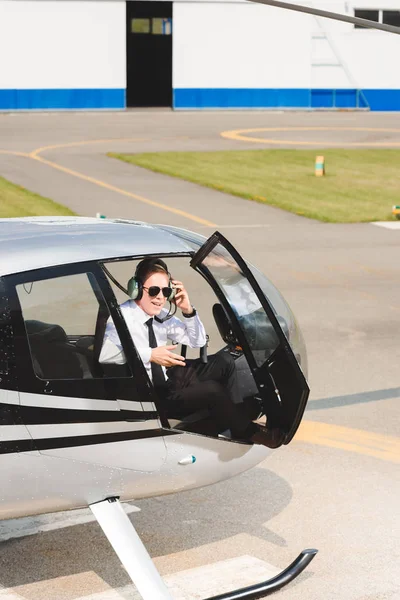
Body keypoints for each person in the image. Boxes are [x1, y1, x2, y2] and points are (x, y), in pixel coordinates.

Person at [99, 258, 284, 449]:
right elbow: (106, 355)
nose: (160, 297)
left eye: (166, 291)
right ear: (136, 289)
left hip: (167, 376)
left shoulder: (160, 315)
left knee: (225, 361)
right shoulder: (121, 317)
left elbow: (198, 340)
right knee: (212, 390)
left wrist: (187, 311)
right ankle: (246, 431)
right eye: (153, 290)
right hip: (149, 393)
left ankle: (233, 417)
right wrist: (149, 355)